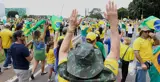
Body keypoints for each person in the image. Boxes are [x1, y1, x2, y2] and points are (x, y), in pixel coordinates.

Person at [57, 1, 120, 81]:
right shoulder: (108, 77)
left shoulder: (63, 76)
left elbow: (62, 52)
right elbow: (115, 52)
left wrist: (70, 29)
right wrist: (114, 24)